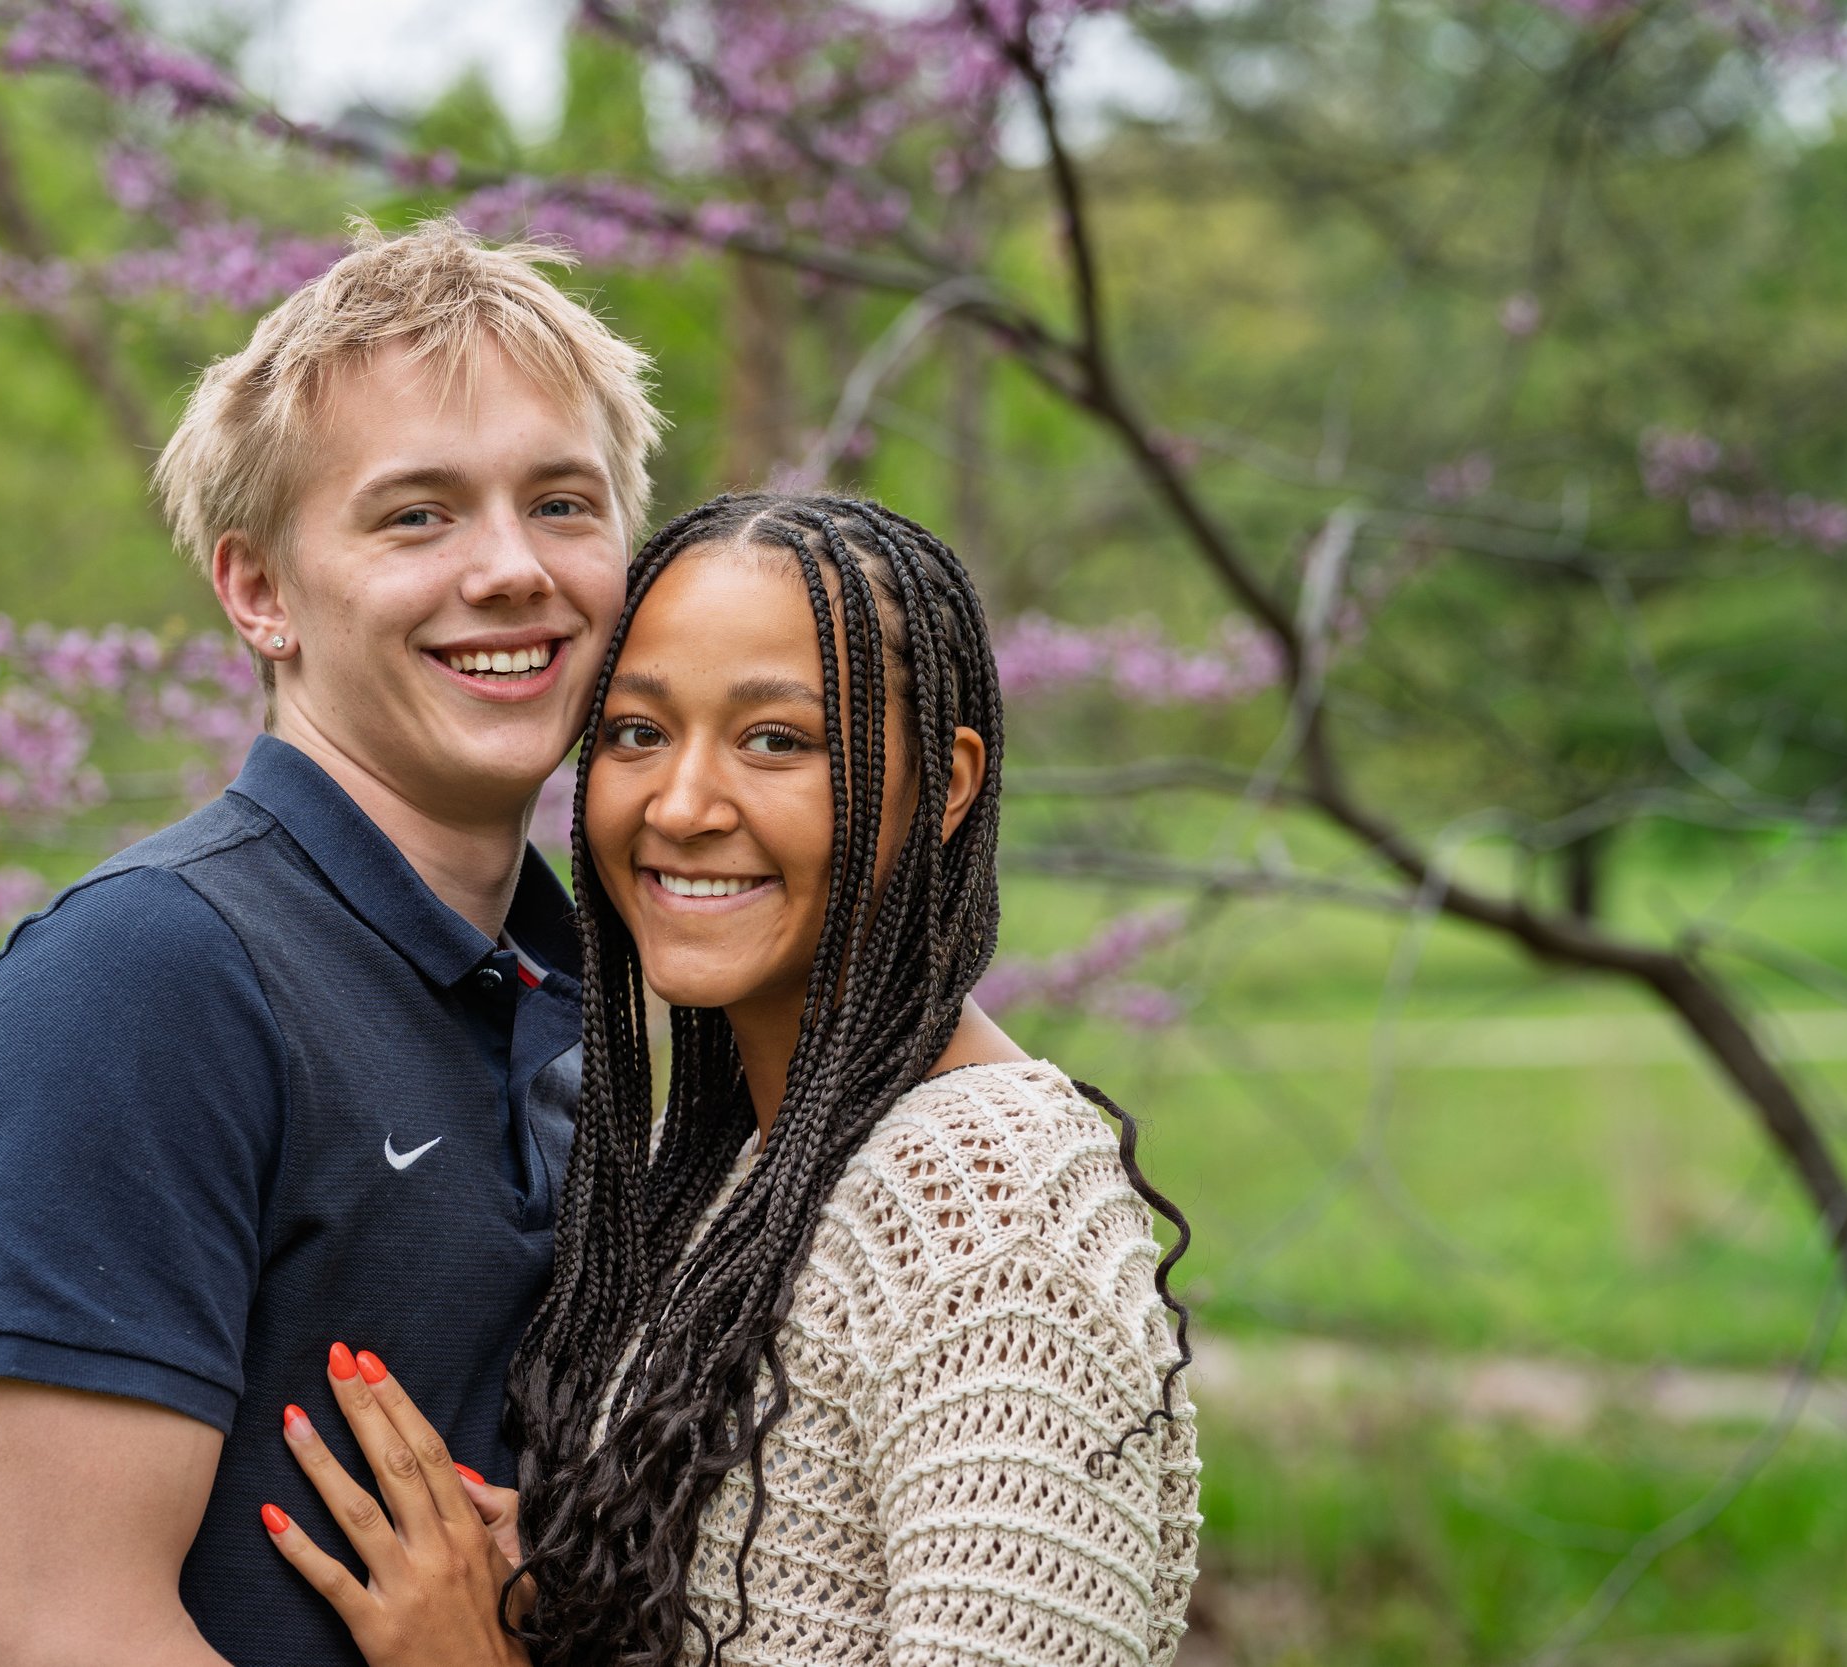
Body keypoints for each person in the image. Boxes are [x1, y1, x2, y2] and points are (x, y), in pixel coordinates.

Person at [259, 493, 1202, 1666]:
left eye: (776, 741)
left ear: (947, 784)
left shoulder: (987, 1202)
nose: (682, 805)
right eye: (638, 734)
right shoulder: (734, 1166)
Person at [0, 216, 661, 1667]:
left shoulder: (593, 991)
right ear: (258, 591)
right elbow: (72, 1630)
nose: (512, 568)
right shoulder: (146, 978)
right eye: (417, 515)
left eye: (563, 503)